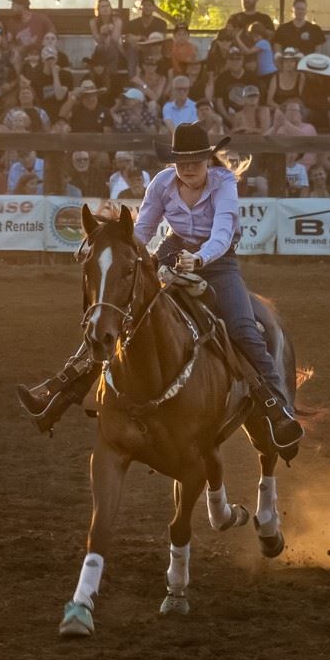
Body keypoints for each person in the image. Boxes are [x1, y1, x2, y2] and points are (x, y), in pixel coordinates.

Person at [20, 123, 302, 453]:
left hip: (219, 262)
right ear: (174, 162)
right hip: (170, 252)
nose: (188, 168)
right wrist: (121, 253)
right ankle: (61, 389)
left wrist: (198, 260)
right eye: (182, 161)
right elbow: (140, 232)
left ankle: (279, 408)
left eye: (195, 161)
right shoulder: (162, 184)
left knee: (242, 327)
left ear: (207, 160)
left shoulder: (224, 183)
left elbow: (222, 233)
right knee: (123, 311)